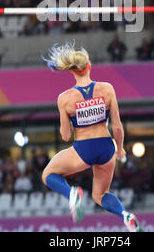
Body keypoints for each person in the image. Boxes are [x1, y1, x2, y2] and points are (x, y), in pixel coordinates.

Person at [41, 42, 142, 232]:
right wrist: (119, 149)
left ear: (72, 71)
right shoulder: (107, 89)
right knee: (101, 194)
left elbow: (65, 136)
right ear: (89, 66)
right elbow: (117, 127)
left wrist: (73, 117)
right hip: (106, 147)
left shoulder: (64, 98)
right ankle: (124, 214)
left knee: (48, 174)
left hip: (84, 149)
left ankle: (71, 193)